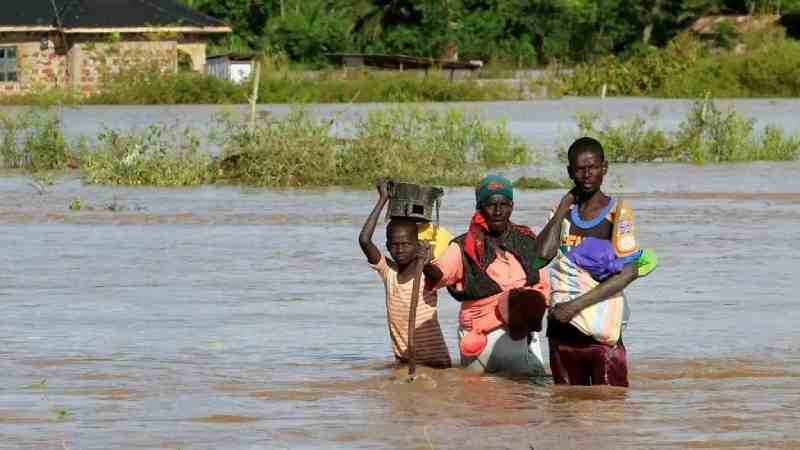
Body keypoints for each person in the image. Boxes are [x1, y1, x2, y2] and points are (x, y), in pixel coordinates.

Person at [536, 137, 657, 387]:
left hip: (601, 335)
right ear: (570, 172)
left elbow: (627, 273)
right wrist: (562, 208)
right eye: (580, 169)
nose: (587, 174)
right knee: (565, 411)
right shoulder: (562, 214)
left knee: (608, 413)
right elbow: (543, 256)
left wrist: (574, 307)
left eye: (592, 167)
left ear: (605, 168)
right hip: (562, 333)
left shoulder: (618, 214)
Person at [423, 175, 550, 375]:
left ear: (512, 206)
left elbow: (543, 286)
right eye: (491, 205)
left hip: (522, 336)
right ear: (480, 207)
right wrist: (424, 263)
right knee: (479, 400)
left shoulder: (526, 241)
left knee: (529, 398)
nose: (498, 211)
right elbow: (440, 274)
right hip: (478, 341)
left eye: (504, 204)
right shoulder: (463, 246)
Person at [359, 180, 451, 368]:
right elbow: (364, 240)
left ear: (417, 245)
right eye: (395, 244)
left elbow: (438, 276)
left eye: (406, 244)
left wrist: (426, 263)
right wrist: (383, 199)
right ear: (387, 247)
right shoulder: (389, 273)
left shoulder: (426, 274)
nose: (400, 249)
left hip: (436, 364)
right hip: (405, 362)